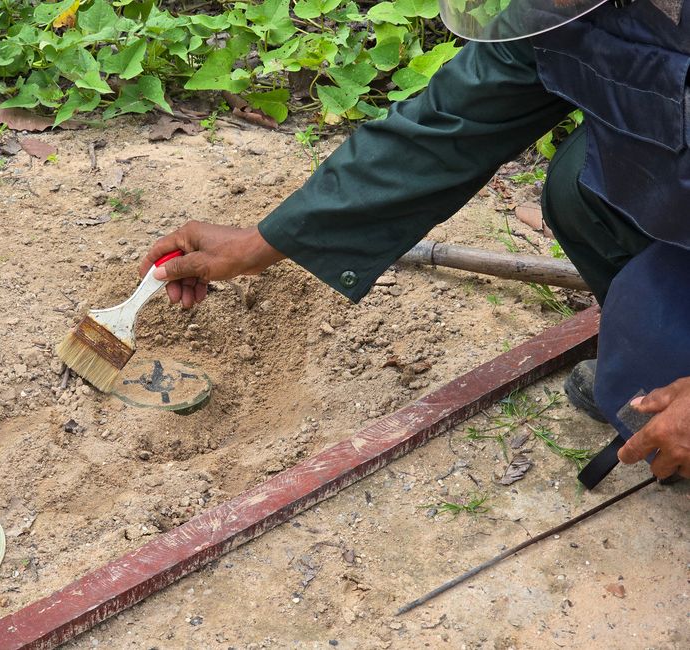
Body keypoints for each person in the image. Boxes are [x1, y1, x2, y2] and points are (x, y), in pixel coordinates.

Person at [139, 0, 690, 483]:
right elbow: (446, 126)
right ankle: (663, 373)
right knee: (583, 183)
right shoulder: (571, 6)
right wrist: (262, 242)